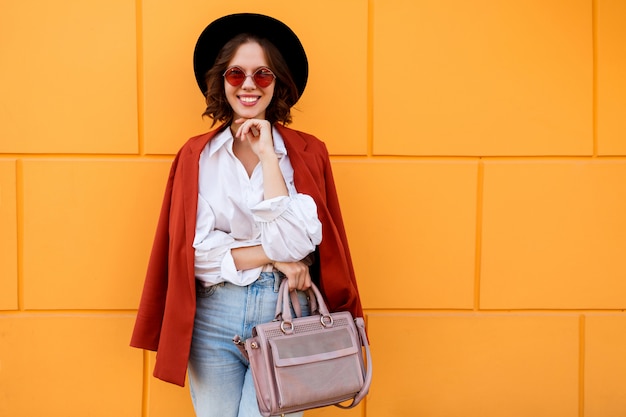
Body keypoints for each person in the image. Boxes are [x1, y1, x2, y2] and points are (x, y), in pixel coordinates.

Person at [130, 13, 363, 417]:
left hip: (286, 311)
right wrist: (275, 257)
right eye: (236, 74)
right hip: (214, 316)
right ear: (222, 80)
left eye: (263, 75)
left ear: (279, 83)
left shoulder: (306, 152)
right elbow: (197, 255)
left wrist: (267, 155)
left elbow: (300, 242)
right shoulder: (197, 156)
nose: (249, 85)